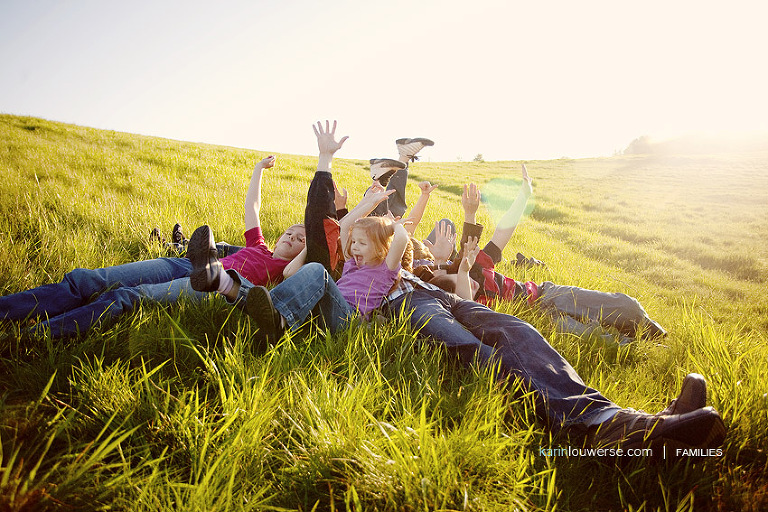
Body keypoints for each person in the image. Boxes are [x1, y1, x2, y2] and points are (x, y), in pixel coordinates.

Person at [0, 156, 306, 338]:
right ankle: (7, 310)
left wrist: (319, 233)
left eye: (300, 239)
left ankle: (34, 337)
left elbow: (316, 250)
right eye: (290, 232)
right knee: (90, 279)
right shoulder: (259, 245)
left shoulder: (285, 272)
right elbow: (252, 206)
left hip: (209, 288)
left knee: (125, 298)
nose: (291, 237)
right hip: (185, 265)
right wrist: (257, 170)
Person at [415, 169, 666, 344]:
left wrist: (523, 195)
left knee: (626, 305)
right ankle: (641, 345)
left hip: (544, 294)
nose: (470, 283)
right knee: (601, 339)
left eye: (464, 276)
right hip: (541, 318)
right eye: (463, 285)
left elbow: (497, 233)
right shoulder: (465, 309)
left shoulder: (471, 266)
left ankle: (645, 326)